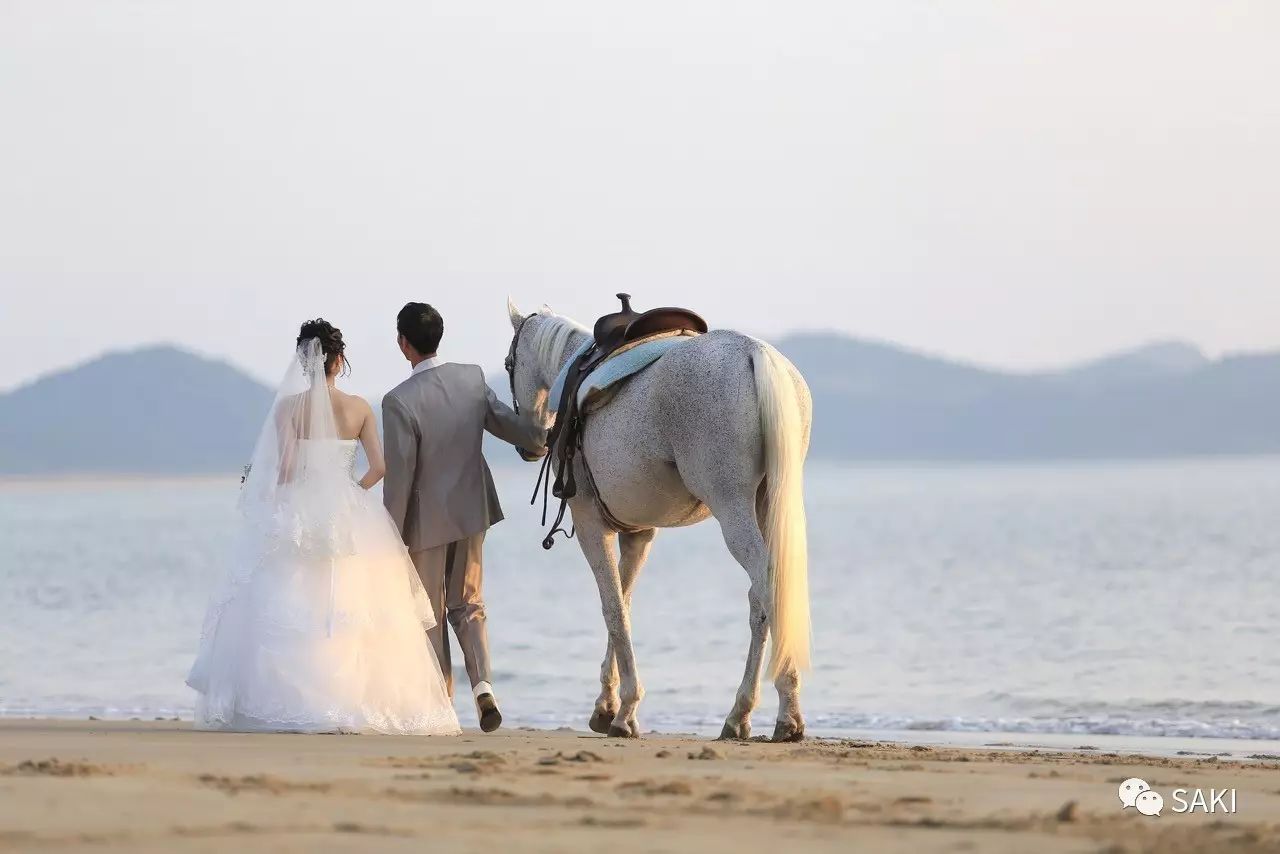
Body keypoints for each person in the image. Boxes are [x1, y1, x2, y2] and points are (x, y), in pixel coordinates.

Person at [186, 320, 460, 736]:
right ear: (339, 361)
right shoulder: (360, 408)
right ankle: (356, 699)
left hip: (300, 507)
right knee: (358, 608)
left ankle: (290, 701)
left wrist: (266, 485)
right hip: (348, 512)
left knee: (287, 598)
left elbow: (286, 469)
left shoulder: (287, 409)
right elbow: (380, 468)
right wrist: (351, 491)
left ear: (304, 361)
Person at [383, 302, 546, 733]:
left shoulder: (398, 402)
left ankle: (442, 706)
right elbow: (519, 431)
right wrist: (541, 430)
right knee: (470, 605)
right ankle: (484, 687)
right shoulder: (472, 379)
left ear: (403, 344)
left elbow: (400, 480)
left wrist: (389, 537)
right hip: (473, 512)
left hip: (424, 524)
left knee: (431, 613)